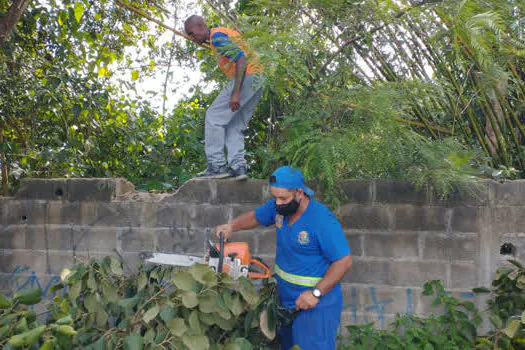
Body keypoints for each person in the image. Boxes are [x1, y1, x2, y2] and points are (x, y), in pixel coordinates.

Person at [215, 166, 353, 349]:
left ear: (300, 193)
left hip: (316, 305)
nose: (278, 203)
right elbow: (256, 217)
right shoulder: (280, 208)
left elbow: (344, 261)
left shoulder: (322, 221)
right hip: (287, 301)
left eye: (283, 198)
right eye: (275, 198)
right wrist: (232, 226)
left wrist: (316, 293)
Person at [184, 15, 264, 181]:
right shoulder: (219, 37)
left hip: (247, 76)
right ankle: (238, 167)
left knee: (214, 116)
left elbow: (241, 58)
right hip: (259, 79)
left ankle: (217, 165)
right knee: (234, 125)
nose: (192, 38)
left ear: (201, 25)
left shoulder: (217, 38)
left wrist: (236, 92)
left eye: (191, 33)